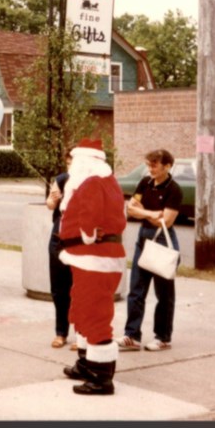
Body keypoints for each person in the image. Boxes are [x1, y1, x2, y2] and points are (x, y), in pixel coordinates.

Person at [58, 139, 127, 395]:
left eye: (74, 161)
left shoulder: (90, 183)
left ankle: (101, 377)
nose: (72, 166)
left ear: (84, 161)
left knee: (94, 312)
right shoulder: (106, 181)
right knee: (82, 306)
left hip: (93, 257)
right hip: (92, 257)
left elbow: (89, 220)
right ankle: (87, 362)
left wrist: (85, 235)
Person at [117, 148, 183, 353]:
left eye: (154, 165)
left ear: (167, 166)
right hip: (143, 238)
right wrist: (152, 213)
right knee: (136, 289)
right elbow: (131, 209)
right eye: (148, 165)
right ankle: (132, 335)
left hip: (162, 240)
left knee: (164, 293)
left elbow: (167, 220)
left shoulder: (174, 190)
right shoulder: (144, 183)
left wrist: (143, 212)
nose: (150, 169)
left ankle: (163, 337)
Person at [46, 154, 73, 349]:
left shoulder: (89, 181)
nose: (71, 165)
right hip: (58, 238)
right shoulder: (62, 179)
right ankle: (60, 332)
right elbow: (50, 204)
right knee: (58, 289)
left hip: (77, 241)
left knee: (78, 289)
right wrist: (55, 199)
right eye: (69, 161)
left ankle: (82, 334)